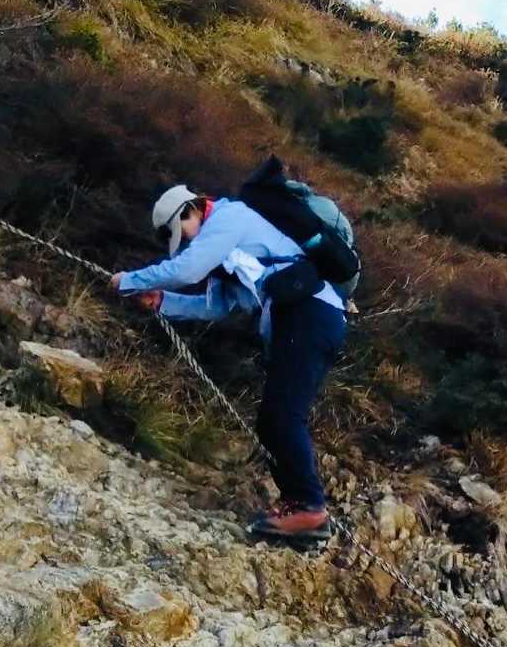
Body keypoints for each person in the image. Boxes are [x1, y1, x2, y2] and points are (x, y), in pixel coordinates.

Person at [110, 183, 347, 542]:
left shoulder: (229, 218)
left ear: (191, 210)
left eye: (181, 232)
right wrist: (163, 301)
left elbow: (188, 269)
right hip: (304, 319)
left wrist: (129, 281)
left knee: (284, 416)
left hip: (310, 314)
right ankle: (299, 508)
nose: (186, 241)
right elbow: (217, 305)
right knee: (272, 420)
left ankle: (309, 509)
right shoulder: (228, 251)